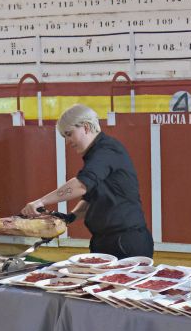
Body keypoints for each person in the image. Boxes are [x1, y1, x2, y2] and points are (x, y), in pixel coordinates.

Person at [20, 104, 153, 258]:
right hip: (105, 241)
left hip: (126, 243)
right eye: (65, 137)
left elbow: (81, 185)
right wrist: (69, 217)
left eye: (69, 134)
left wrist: (41, 201)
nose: (68, 141)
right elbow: (91, 199)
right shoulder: (96, 154)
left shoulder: (107, 151)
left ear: (86, 127)